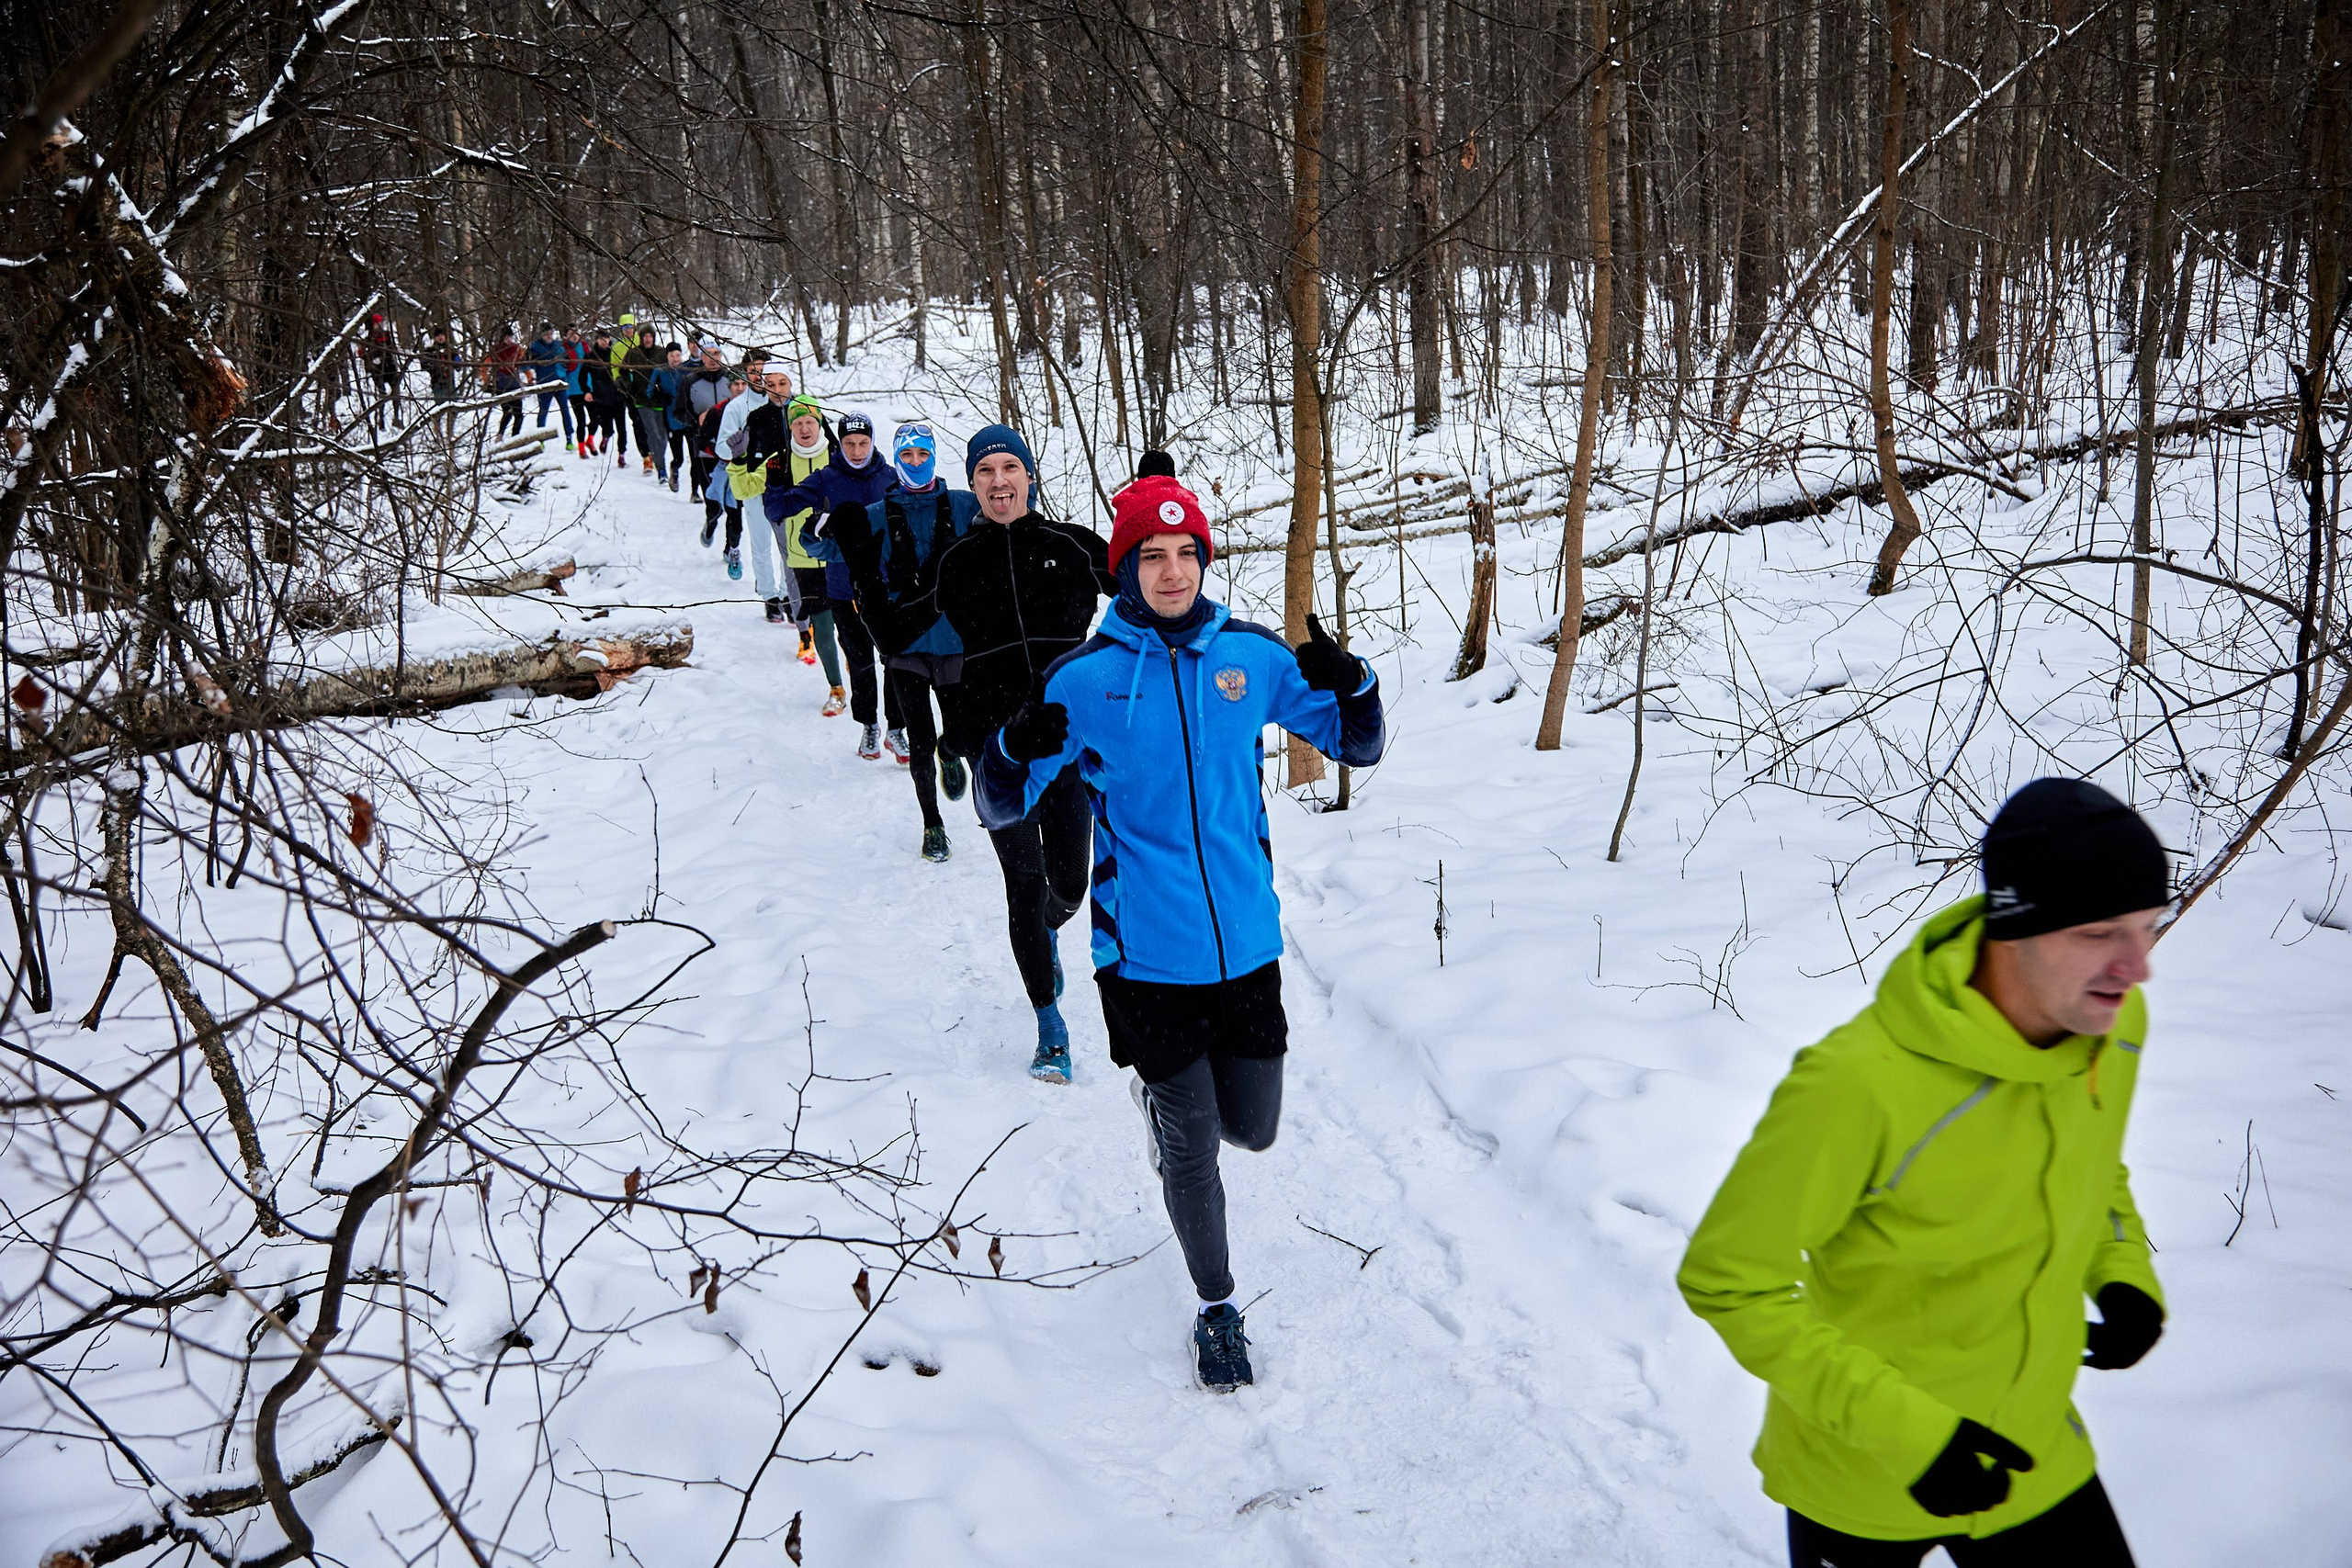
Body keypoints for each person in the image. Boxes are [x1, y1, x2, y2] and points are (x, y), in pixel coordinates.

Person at [1677, 777, 2170, 1568]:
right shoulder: (1857, 1084)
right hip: (1862, 1471)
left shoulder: (2108, 1026)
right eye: (2101, 931)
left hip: (2032, 1446)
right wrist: (1914, 1437)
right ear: (2016, 926)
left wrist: (2122, 1274)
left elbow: (2094, 1162)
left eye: (2149, 927)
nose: (2136, 967)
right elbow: (1728, 1280)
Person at [975, 470, 1385, 1392]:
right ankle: (1217, 1309)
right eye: (1150, 557)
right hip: (1144, 958)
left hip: (1246, 944)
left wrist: (1353, 684)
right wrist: (1010, 747)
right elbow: (999, 806)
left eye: (1186, 554)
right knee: (1196, 1150)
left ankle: (1171, 1127)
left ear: (1204, 559)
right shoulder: (1083, 681)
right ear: (1122, 569)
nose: (1171, 573)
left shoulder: (1250, 660)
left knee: (1256, 1127)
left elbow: (1358, 743)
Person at [933, 426, 1115, 1059]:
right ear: (973, 484)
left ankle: (1048, 931)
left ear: (1030, 476)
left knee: (1069, 883)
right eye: (985, 471)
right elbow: (908, 637)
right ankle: (1049, 1025)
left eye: (1010, 466)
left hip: (1066, 745)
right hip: (997, 753)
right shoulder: (954, 560)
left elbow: (1145, 586)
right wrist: (954, 729)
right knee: (1025, 880)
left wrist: (1157, 494)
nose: (999, 480)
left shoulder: (1070, 544)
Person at [752, 411, 900, 751]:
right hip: (843, 589)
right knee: (860, 662)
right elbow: (778, 511)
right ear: (841, 444)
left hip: (887, 588)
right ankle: (869, 725)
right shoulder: (827, 478)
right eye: (850, 443)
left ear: (873, 442)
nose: (858, 450)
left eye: (863, 443)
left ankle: (897, 728)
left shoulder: (890, 478)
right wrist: (774, 483)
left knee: (895, 660)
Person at [673, 340, 735, 534]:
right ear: (701, 357)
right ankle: (712, 519)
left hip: (731, 444)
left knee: (733, 498)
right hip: (703, 444)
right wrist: (696, 419)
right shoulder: (690, 381)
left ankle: (731, 544)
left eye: (716, 354)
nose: (713, 359)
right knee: (711, 492)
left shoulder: (731, 379)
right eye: (707, 354)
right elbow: (678, 411)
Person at [622, 322, 667, 478]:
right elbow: (623, 371)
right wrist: (630, 387)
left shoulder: (661, 353)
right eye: (645, 337)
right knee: (652, 433)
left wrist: (665, 389)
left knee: (662, 435)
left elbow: (669, 371)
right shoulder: (634, 353)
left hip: (659, 399)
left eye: (650, 336)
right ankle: (661, 469)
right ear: (641, 338)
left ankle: (658, 458)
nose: (648, 339)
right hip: (641, 399)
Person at [582, 327, 630, 463]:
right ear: (597, 340)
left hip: (618, 396)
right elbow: (582, 376)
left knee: (622, 428)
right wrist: (586, 391)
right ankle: (606, 437)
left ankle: (622, 454)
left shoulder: (615, 354)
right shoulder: (590, 357)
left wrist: (625, 387)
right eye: (601, 339)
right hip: (601, 398)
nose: (604, 342)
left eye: (606, 339)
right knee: (607, 426)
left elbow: (624, 372)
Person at [360, 312, 403, 427]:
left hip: (391, 368)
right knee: (381, 394)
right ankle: (381, 418)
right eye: (378, 323)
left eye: (382, 323)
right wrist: (373, 358)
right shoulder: (368, 339)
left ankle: (397, 417)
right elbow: (362, 354)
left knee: (396, 392)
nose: (381, 325)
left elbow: (394, 349)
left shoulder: (388, 335)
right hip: (377, 370)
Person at [483, 325, 526, 437]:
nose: (509, 340)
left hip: (514, 384)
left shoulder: (517, 349)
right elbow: (484, 365)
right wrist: (486, 381)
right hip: (501, 385)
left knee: (519, 414)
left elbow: (522, 363)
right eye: (507, 337)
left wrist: (529, 377)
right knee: (507, 412)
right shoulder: (496, 350)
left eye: (511, 337)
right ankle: (500, 434)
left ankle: (515, 436)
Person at [559, 325, 593, 457]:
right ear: (566, 336)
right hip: (573, 389)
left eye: (576, 332)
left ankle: (590, 439)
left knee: (595, 418)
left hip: (587, 387)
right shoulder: (563, 349)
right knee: (581, 420)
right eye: (571, 333)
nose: (575, 335)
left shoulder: (584, 346)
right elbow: (560, 369)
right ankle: (581, 448)